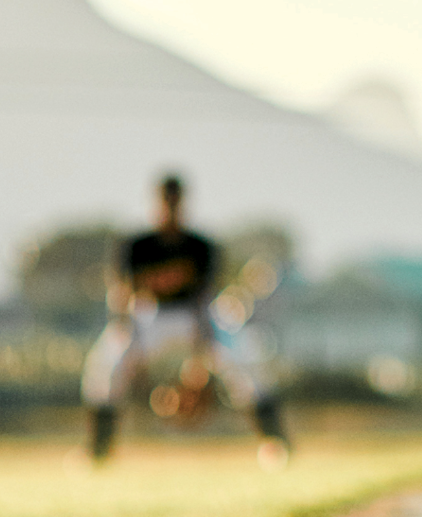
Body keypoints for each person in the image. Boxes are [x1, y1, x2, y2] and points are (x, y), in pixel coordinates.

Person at [80, 173, 290, 465]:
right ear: (156, 202)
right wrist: (131, 342)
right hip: (148, 315)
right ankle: (97, 450)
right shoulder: (137, 245)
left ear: (183, 203)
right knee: (107, 364)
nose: (171, 206)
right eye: (166, 200)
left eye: (175, 200)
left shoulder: (200, 245)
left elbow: (205, 298)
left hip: (197, 315)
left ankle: (274, 442)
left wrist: (200, 357)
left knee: (246, 357)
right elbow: (123, 295)